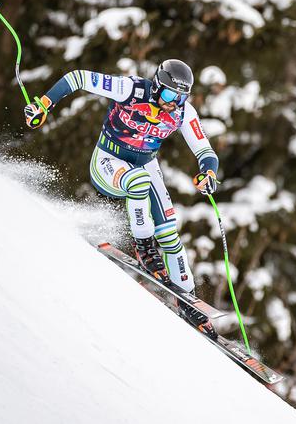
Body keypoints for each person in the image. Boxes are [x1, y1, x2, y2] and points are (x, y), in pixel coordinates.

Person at [24, 59, 219, 338]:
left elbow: (205, 150)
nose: (172, 103)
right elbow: (78, 77)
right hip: (109, 159)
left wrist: (208, 173)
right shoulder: (130, 89)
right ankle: (144, 248)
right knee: (138, 183)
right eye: (168, 95)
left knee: (169, 233)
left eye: (180, 97)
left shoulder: (182, 113)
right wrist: (44, 103)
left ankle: (189, 303)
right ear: (156, 87)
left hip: (146, 163)